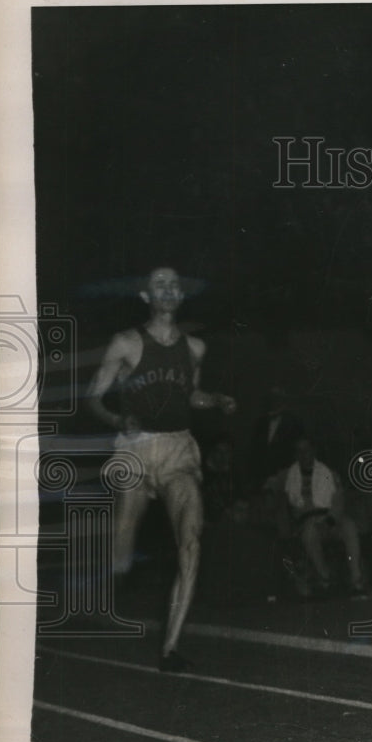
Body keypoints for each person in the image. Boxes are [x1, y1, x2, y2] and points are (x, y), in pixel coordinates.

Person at [86, 266, 236, 672]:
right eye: (159, 284)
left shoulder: (196, 348)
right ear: (145, 297)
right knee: (124, 539)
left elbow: (192, 396)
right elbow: (95, 397)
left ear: (181, 296)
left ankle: (170, 649)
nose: (168, 290)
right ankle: (109, 587)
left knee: (191, 542)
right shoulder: (126, 343)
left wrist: (217, 399)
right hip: (135, 449)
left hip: (178, 449)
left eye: (174, 285)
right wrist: (119, 420)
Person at [284, 437, 369, 597]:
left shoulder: (328, 473)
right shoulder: (291, 475)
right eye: (299, 451)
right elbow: (292, 504)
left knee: (349, 525)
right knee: (309, 532)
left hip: (330, 518)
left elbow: (338, 500)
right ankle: (325, 576)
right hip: (308, 522)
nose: (303, 455)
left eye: (306, 450)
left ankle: (356, 579)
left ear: (313, 451)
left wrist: (329, 521)